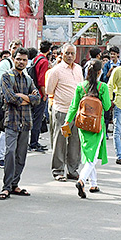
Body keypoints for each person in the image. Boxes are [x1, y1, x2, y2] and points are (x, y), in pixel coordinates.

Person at [0, 49, 40, 200]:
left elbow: (38, 98)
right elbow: (10, 98)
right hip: (11, 121)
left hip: (26, 122)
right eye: (19, 59)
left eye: (24, 60)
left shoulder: (28, 79)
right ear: (13, 59)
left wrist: (22, 97)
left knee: (21, 156)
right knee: (10, 153)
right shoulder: (6, 76)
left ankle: (15, 185)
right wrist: (28, 98)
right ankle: (6, 187)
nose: (21, 62)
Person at [64, 59, 112, 197]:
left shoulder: (81, 86)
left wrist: (67, 122)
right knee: (93, 158)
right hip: (97, 126)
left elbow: (74, 106)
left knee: (89, 154)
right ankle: (82, 180)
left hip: (83, 126)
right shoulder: (102, 87)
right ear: (99, 72)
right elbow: (107, 106)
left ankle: (94, 183)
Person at [45, 43, 83, 182]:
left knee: (75, 143)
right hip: (61, 111)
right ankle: (58, 171)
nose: (70, 56)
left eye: (72, 53)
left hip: (76, 112)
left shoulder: (79, 69)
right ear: (62, 54)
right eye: (67, 53)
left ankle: (72, 170)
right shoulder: (56, 70)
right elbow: (49, 90)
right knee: (60, 142)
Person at [0, 48, 15, 169]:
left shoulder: (22, 70)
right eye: (14, 49)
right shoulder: (5, 64)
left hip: (17, 107)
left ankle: (9, 159)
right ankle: (0, 158)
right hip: (3, 103)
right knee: (4, 130)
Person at [28, 42, 54, 153]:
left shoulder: (36, 58)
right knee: (37, 119)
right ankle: (34, 143)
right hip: (39, 93)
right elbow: (41, 80)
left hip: (33, 92)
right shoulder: (44, 61)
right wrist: (44, 95)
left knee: (34, 118)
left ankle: (33, 142)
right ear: (49, 50)